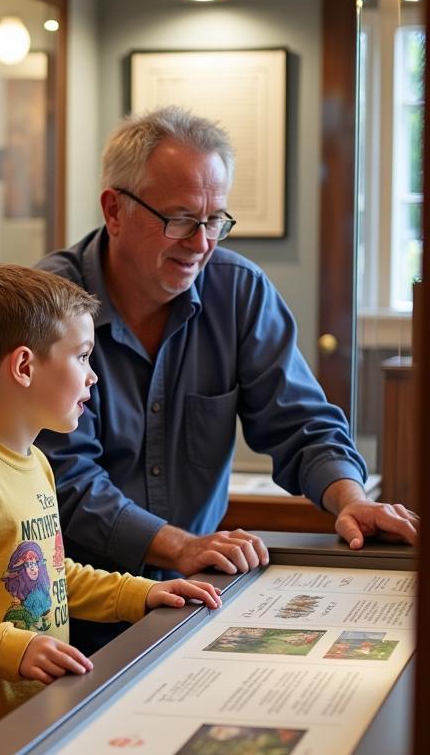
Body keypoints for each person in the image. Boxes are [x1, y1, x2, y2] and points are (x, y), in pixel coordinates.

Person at [37, 106, 419, 653]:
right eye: (180, 219)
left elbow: (302, 423)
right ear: (113, 209)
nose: (201, 243)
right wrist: (179, 545)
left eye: (214, 219)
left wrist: (350, 499)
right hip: (75, 609)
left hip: (194, 600)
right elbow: (63, 479)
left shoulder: (238, 291)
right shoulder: (49, 303)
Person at [0, 264, 221, 755]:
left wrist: (140, 594)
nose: (93, 374)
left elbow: (52, 573)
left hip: (27, 722)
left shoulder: (35, 462)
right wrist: (11, 649)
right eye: (81, 357)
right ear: (23, 366)